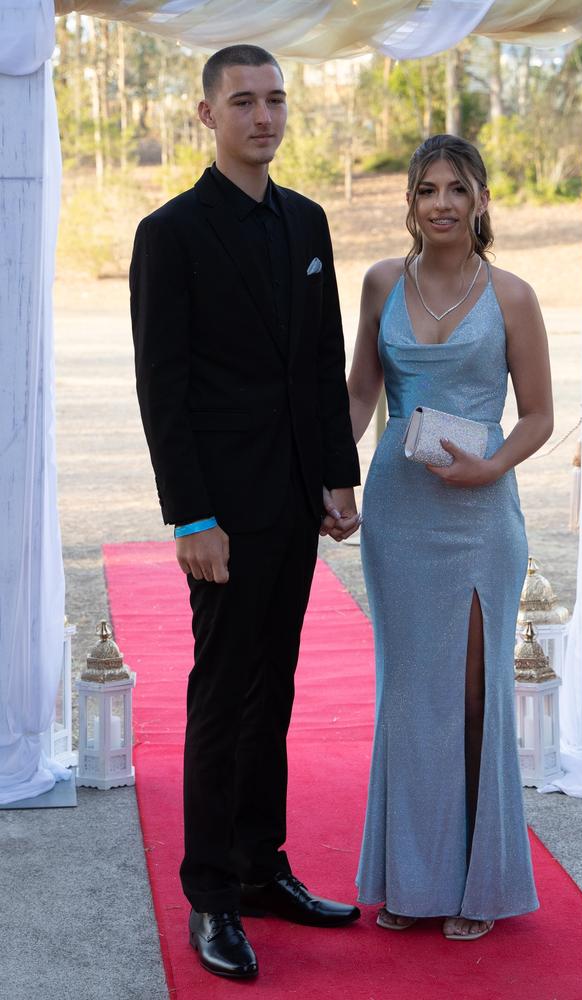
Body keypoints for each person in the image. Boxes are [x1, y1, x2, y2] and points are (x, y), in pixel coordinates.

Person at [130, 44, 362, 981]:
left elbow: (319, 360)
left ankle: (264, 871)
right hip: (222, 513)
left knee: (277, 691)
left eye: (274, 100)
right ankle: (212, 897)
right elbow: (164, 389)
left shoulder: (306, 222)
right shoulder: (171, 232)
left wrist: (336, 476)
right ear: (206, 114)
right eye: (243, 102)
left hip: (294, 503)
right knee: (223, 700)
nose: (262, 116)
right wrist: (192, 520)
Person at [346, 134, 553, 939]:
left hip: (479, 518)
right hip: (398, 513)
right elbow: (363, 389)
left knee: (470, 695)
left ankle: (475, 885)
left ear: (481, 201)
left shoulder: (513, 296)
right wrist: (333, 475)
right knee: (408, 696)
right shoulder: (379, 284)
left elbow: (536, 412)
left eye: (456, 190)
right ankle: (412, 880)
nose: (441, 204)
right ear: (410, 202)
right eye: (427, 189)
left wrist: (492, 465)